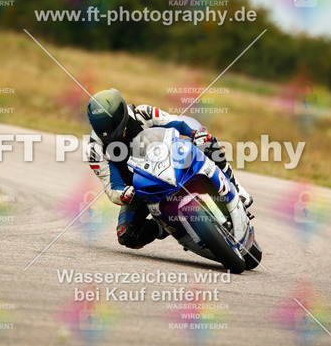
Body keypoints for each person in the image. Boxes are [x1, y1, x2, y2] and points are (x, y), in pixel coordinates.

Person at [85, 89, 253, 249]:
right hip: (142, 190)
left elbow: (176, 122)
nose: (105, 131)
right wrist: (124, 193)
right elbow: (112, 187)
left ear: (121, 114)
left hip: (173, 163)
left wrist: (196, 133)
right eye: (99, 126)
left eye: (109, 123)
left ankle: (237, 189)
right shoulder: (95, 150)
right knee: (127, 235)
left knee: (208, 143)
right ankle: (164, 226)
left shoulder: (142, 114)